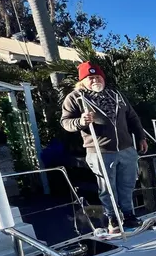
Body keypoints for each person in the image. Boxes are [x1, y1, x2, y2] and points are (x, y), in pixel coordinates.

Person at [61, 62, 148, 233]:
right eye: (90, 77)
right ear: (83, 81)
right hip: (100, 151)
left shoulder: (116, 95)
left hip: (126, 149)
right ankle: (113, 219)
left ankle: (129, 216)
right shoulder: (75, 97)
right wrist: (80, 121)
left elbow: (132, 117)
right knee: (107, 188)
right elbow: (65, 122)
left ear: (103, 78)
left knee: (127, 184)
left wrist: (141, 137)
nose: (95, 80)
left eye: (97, 76)